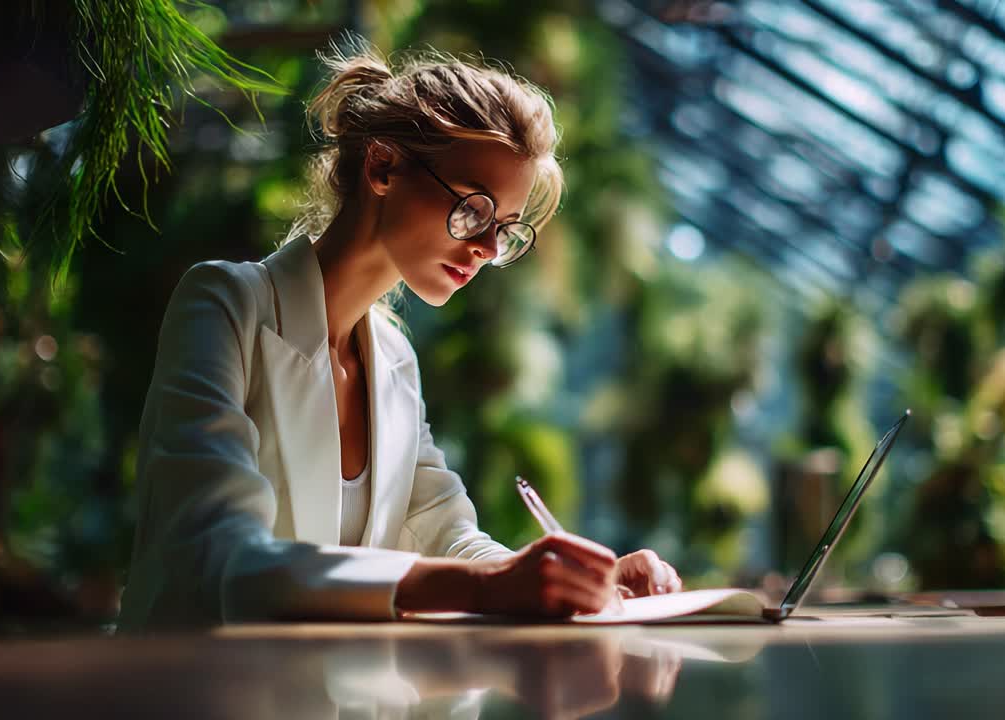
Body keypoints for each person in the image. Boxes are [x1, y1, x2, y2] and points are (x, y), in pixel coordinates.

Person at [117, 42, 681, 631]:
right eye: (474, 209)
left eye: (506, 230)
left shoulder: (392, 356)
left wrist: (582, 580)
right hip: (192, 687)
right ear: (382, 167)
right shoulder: (225, 305)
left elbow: (450, 538)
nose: (487, 250)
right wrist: (492, 587)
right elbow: (221, 559)